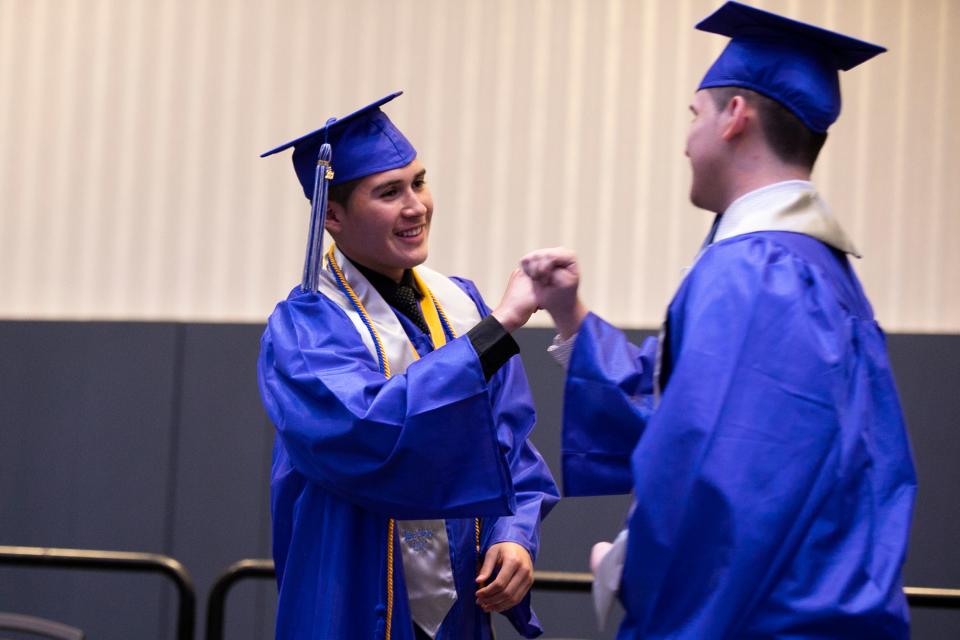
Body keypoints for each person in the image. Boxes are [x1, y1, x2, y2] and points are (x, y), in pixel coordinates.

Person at [521, 2, 916, 638]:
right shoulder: (815, 268)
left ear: (735, 116)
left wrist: (626, 565)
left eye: (694, 115)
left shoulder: (756, 273)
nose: (686, 139)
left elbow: (722, 476)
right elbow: (678, 404)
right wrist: (570, 314)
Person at [257, 92, 559, 640]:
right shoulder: (305, 328)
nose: (416, 206)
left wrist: (515, 533)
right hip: (352, 594)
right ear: (331, 215)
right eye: (389, 192)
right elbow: (369, 431)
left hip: (463, 609)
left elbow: (511, 443)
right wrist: (498, 330)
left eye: (418, 182)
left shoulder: (460, 305)